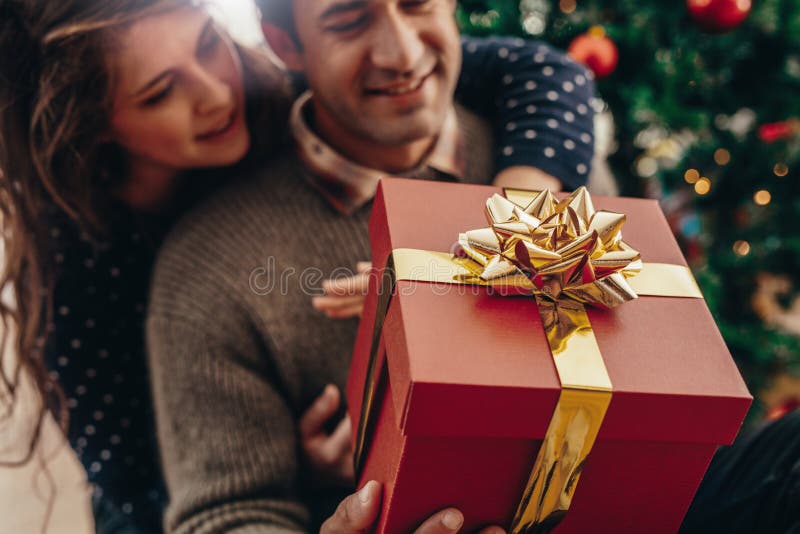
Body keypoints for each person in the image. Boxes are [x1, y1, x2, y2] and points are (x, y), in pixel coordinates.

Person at [0, 1, 595, 532]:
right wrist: (301, 471)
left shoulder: (267, 92)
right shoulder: (85, 267)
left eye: (210, 42)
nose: (215, 92)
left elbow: (546, 72)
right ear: (92, 129)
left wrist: (511, 238)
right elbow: (170, 496)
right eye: (159, 92)